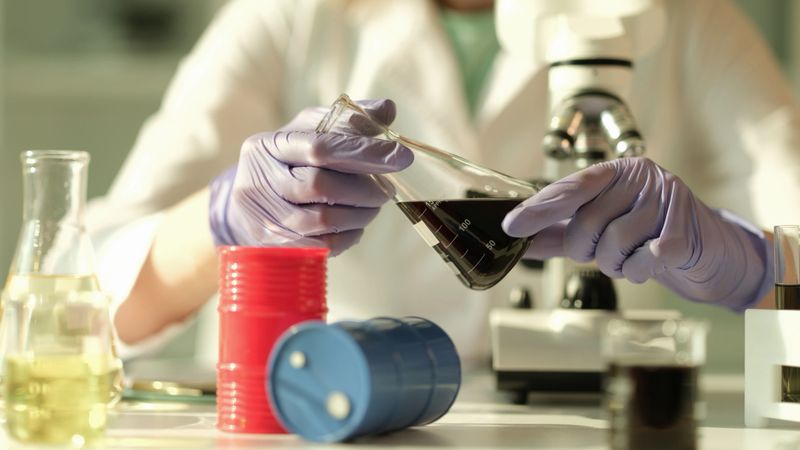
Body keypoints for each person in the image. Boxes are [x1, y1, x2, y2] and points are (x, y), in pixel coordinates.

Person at [87, 0, 800, 364]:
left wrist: (752, 270)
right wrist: (223, 219)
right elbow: (78, 297)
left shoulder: (688, 20)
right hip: (339, 410)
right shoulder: (293, 15)